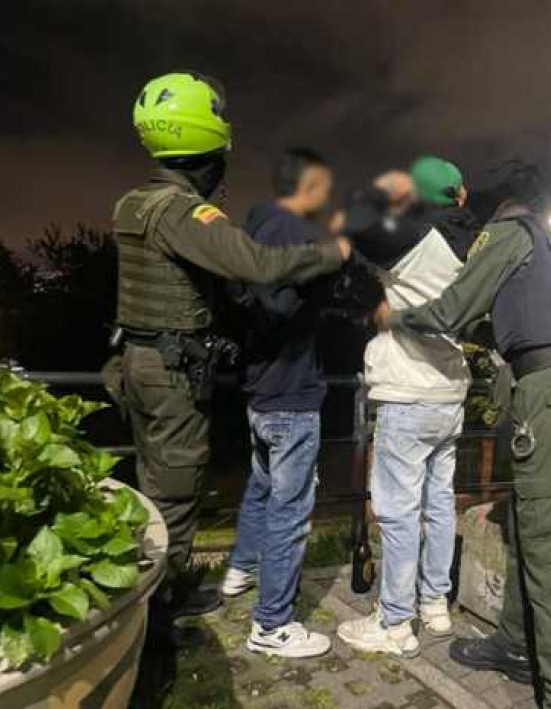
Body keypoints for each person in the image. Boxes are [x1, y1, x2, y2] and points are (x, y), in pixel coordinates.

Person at [111, 72, 350, 635]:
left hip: (138, 364)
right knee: (173, 495)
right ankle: (153, 623)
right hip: (169, 374)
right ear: (206, 151)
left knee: (156, 488)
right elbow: (257, 265)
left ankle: (168, 596)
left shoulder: (135, 203)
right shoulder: (179, 212)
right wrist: (330, 252)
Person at [375, 159, 551, 709]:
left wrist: (395, 317)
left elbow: (454, 311)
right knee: (532, 529)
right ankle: (514, 643)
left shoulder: (508, 233)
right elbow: (523, 316)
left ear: (500, 207)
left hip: (548, 392)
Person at [336, 157, 478, 658]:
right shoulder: (474, 244)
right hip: (451, 390)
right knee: (439, 503)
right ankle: (434, 604)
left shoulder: (411, 234)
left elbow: (347, 219)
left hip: (407, 390)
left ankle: (395, 622)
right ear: (459, 194)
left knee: (397, 512)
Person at [219, 148, 336, 658]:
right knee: (291, 512)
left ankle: (240, 571)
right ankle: (271, 625)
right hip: (291, 392)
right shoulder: (292, 231)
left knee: (262, 488)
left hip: (261, 390)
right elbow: (280, 307)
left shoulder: (256, 228)